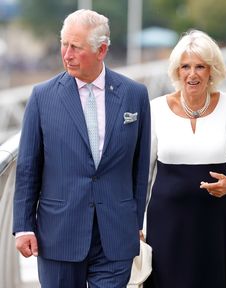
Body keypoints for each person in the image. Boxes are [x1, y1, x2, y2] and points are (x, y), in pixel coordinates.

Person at [13, 9, 151, 288]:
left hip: (115, 234)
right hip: (59, 234)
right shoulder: (42, 97)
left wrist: (135, 222)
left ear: (101, 50)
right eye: (64, 44)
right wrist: (24, 226)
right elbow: (28, 167)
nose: (66, 54)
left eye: (75, 47)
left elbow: (140, 166)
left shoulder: (135, 95)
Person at [144, 29, 226, 288]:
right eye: (185, 67)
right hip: (166, 222)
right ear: (177, 71)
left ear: (211, 70)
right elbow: (143, 173)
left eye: (200, 66)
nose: (192, 74)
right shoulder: (156, 108)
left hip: (215, 220)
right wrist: (136, 223)